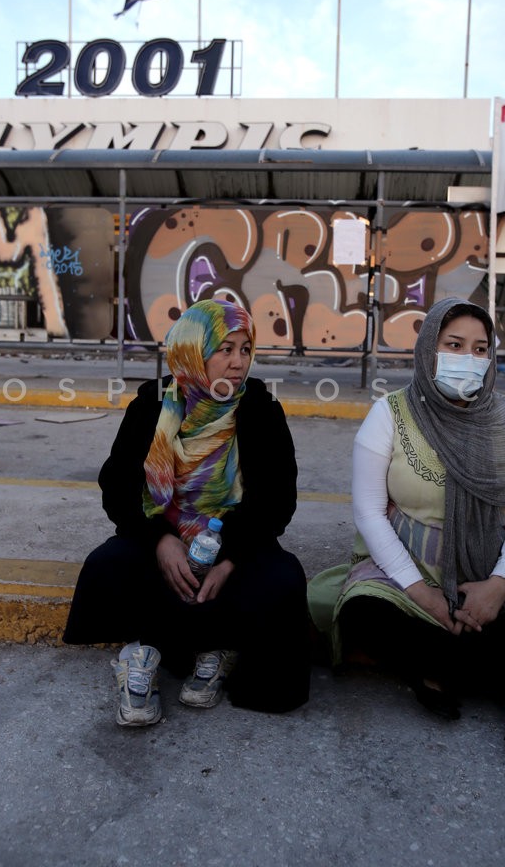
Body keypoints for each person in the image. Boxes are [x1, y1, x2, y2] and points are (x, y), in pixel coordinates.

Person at [308, 297, 505, 753]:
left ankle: (436, 667)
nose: (469, 359)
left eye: (481, 349)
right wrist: (422, 595)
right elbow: (368, 512)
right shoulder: (391, 415)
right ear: (428, 348)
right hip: (409, 571)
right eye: (454, 344)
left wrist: (499, 587)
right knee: (362, 614)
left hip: (495, 570)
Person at [64, 299, 310, 724]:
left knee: (282, 579)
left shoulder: (259, 410)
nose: (238, 363)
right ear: (193, 351)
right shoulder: (152, 404)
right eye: (225, 349)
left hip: (234, 541)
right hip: (163, 533)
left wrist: (232, 556)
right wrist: (160, 539)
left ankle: (205, 649)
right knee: (110, 565)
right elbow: (118, 487)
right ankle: (155, 651)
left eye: (245, 349)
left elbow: (277, 499)